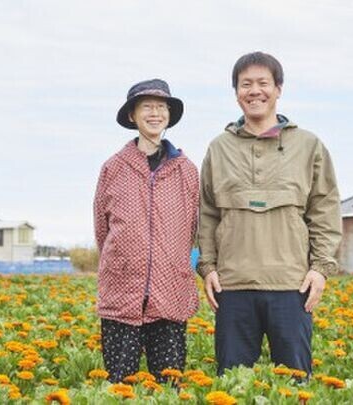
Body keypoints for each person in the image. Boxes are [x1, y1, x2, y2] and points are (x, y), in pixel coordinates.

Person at [197, 52, 341, 376]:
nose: (254, 91)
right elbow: (207, 213)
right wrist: (207, 267)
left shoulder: (308, 145)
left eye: (263, 83)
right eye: (245, 84)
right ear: (236, 92)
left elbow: (325, 209)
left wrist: (320, 268)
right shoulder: (219, 148)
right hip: (232, 287)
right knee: (233, 385)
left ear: (278, 89)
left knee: (293, 386)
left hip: (292, 287)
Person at [94, 79, 199, 383]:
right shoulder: (113, 168)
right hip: (121, 293)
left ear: (169, 114)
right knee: (120, 386)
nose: (155, 113)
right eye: (146, 107)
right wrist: (125, 260)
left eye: (161, 107)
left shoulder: (186, 170)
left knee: (168, 386)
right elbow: (102, 230)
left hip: (170, 294)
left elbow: (195, 227)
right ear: (132, 116)